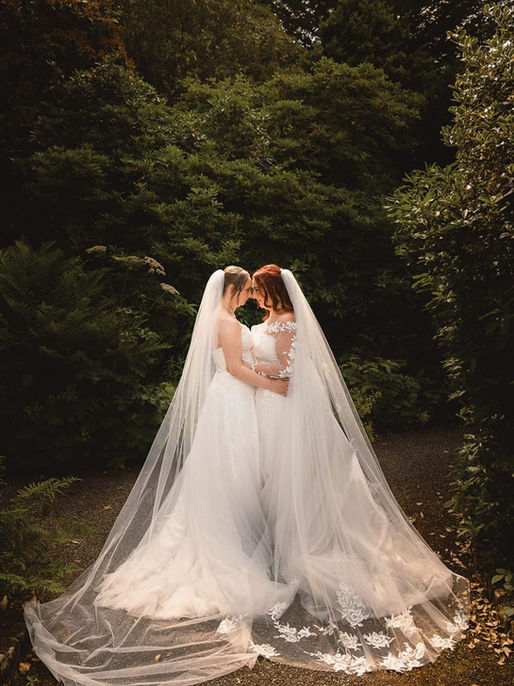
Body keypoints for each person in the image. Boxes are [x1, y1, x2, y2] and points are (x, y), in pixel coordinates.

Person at [24, 264, 470, 685]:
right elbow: (240, 366)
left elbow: (277, 366)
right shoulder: (228, 322)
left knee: (256, 476)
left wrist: (271, 379)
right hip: (242, 401)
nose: (252, 297)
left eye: (257, 291)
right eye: (247, 291)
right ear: (234, 291)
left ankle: (265, 538)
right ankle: (245, 541)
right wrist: (270, 380)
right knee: (241, 475)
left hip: (255, 405)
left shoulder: (266, 320)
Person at [245, 265, 470, 675]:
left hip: (285, 414)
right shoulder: (268, 320)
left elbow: (290, 374)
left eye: (260, 291)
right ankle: (275, 542)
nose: (256, 297)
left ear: (274, 290)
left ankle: (298, 544)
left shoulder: (291, 323)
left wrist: (247, 373)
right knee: (268, 480)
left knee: (293, 481)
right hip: (266, 410)